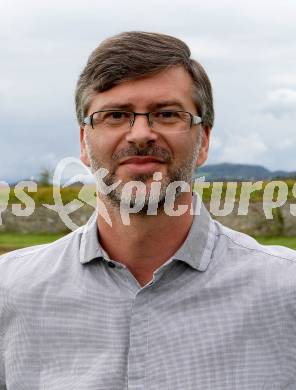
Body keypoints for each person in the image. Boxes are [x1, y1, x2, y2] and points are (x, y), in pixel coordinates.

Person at [0, 31, 296, 390]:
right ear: (83, 142)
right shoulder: (10, 292)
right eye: (115, 115)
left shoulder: (285, 294)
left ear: (203, 141)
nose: (140, 134)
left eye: (167, 114)